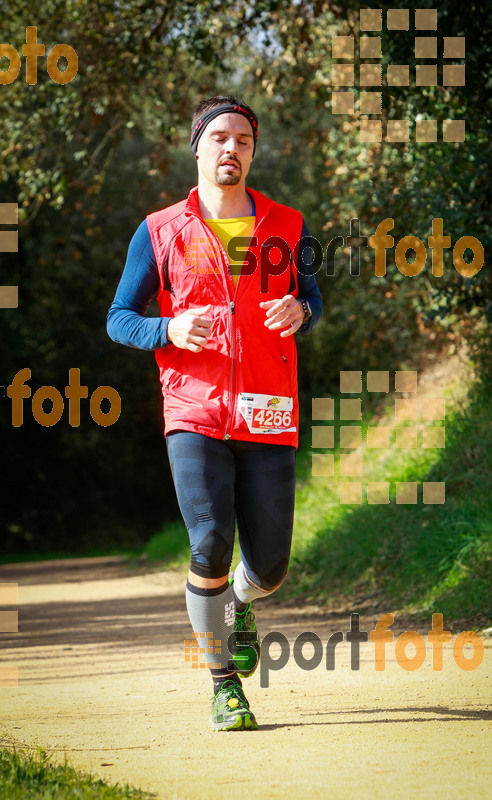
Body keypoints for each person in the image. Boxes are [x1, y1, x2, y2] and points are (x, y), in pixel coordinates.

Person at [107, 95, 323, 731]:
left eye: (244, 141)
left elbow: (310, 298)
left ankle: (240, 601)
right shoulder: (160, 230)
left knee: (272, 565)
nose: (232, 149)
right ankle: (224, 685)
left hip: (267, 412)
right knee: (208, 545)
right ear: (197, 147)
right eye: (220, 138)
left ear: (253, 152)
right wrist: (170, 328)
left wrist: (302, 313)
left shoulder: (288, 225)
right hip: (194, 413)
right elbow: (120, 319)